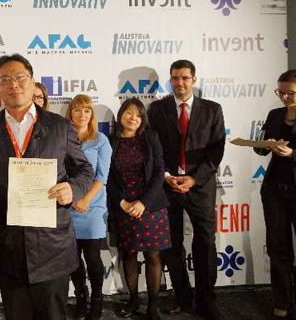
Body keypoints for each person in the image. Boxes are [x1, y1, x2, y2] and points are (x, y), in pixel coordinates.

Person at [0, 53, 94, 320]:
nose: (14, 84)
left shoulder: (59, 127)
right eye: (5, 80)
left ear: (32, 82)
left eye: (20, 77)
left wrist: (73, 189)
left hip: (52, 247)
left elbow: (84, 170)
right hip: (9, 247)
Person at [148, 60, 225, 320]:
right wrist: (167, 176)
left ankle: (206, 301)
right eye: (174, 78)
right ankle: (182, 298)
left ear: (193, 79)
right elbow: (154, 148)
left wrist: (194, 179)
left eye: (184, 78)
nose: (179, 83)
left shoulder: (212, 109)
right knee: (171, 245)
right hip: (168, 186)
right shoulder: (157, 109)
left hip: (200, 187)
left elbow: (217, 149)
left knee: (205, 243)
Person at [107, 98, 170, 320]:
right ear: (120, 115)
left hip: (151, 207)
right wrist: (122, 202)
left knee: (154, 256)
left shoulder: (151, 138)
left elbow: (159, 171)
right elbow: (107, 177)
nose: (133, 118)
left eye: (138, 115)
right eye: (129, 113)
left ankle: (153, 305)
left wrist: (144, 202)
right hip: (124, 207)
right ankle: (133, 299)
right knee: (129, 254)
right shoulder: (111, 141)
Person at [254, 69, 296, 320]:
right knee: (278, 248)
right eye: (280, 92)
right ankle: (282, 301)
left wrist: (292, 154)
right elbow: (260, 149)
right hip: (274, 190)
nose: (284, 97)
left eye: (290, 93)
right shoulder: (275, 114)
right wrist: (266, 144)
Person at [66, 95, 112, 320]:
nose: (82, 115)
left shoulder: (100, 140)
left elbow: (102, 177)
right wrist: (73, 200)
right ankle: (81, 298)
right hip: (69, 207)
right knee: (73, 260)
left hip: (93, 208)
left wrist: (85, 200)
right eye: (77, 110)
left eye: (86, 110)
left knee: (93, 258)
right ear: (70, 113)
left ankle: (97, 299)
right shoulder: (63, 139)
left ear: (91, 114)